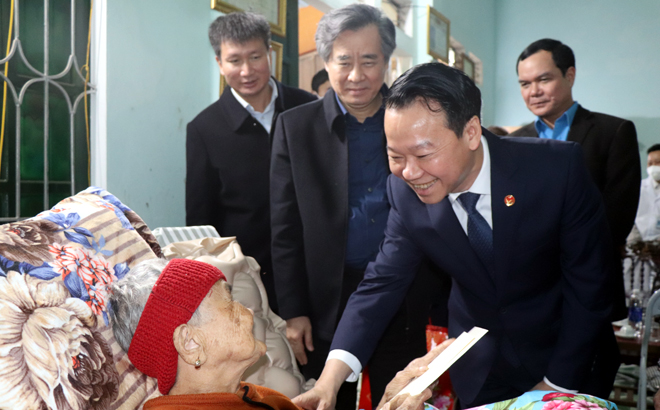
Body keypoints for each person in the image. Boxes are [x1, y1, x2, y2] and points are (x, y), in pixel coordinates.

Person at [293, 62, 619, 410]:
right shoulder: (404, 191)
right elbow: (382, 283)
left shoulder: (555, 170)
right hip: (484, 372)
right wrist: (328, 382)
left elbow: (590, 284)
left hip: (569, 362)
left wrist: (551, 389)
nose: (410, 172)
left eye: (423, 154)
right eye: (394, 156)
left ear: (471, 132)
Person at [270, 4, 437, 408]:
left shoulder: (417, 121)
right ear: (326, 62)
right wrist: (294, 311)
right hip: (330, 295)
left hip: (407, 287)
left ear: (387, 62)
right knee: (329, 396)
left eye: (369, 61)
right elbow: (284, 227)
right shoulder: (296, 127)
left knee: (401, 396)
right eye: (344, 61)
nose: (357, 75)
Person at [107, 257, 450, 410]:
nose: (247, 311)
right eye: (228, 302)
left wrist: (390, 400)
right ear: (190, 342)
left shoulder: (251, 394)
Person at [186, 12, 316, 314]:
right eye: (234, 61)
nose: (246, 70)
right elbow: (200, 221)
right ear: (219, 63)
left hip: (312, 272)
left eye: (255, 57)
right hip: (245, 282)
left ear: (270, 54)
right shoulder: (204, 129)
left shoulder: (307, 109)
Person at [510, 38, 640, 320]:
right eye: (524, 84)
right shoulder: (512, 143)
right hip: (528, 292)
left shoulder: (613, 132)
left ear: (569, 75)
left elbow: (616, 219)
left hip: (590, 283)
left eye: (543, 79)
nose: (534, 92)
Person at [630, 144, 660, 242]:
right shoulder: (638, 188)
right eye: (650, 163)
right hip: (639, 245)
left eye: (658, 163)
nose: (653, 167)